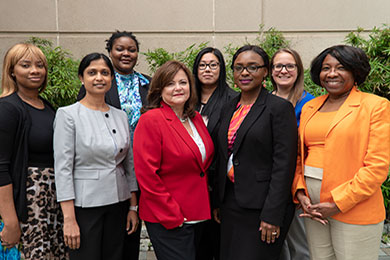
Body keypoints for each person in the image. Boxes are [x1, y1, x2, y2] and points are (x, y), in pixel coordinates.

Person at [292, 45, 390, 260]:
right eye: (326, 68)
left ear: (356, 72)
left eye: (341, 67)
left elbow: (377, 167)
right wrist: (300, 192)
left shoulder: (376, 106)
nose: (332, 73)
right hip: (313, 205)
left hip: (354, 204)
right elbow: (299, 154)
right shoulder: (310, 106)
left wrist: (337, 203)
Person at [214, 45, 298, 260]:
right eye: (239, 67)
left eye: (252, 67)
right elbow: (223, 155)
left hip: (262, 206)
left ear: (265, 72)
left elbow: (284, 164)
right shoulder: (228, 107)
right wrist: (217, 201)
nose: (244, 73)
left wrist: (272, 214)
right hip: (231, 201)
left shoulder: (278, 108)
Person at [54, 53, 138, 260]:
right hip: (85, 206)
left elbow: (129, 164)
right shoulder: (68, 115)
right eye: (92, 73)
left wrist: (133, 207)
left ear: (111, 79)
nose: (99, 78)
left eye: (105, 73)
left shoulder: (120, 115)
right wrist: (69, 219)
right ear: (82, 78)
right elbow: (63, 169)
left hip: (119, 203)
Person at [77, 31, 149, 259]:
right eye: (120, 49)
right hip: (110, 167)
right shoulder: (99, 81)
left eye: (131, 49)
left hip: (144, 164)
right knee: (108, 237)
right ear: (110, 52)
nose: (126, 53)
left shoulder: (148, 83)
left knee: (132, 228)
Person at [133, 60, 215, 260]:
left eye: (183, 82)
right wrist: (173, 215)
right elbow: (147, 176)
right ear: (160, 89)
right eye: (170, 84)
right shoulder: (151, 120)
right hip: (169, 217)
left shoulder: (195, 118)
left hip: (199, 214)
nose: (178, 88)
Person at [0, 43, 67, 259]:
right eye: (26, 65)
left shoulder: (47, 107)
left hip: (53, 202)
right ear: (11, 70)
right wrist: (10, 220)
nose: (34, 71)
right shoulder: (7, 108)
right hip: (27, 204)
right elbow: (1, 167)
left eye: (40, 65)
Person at [192, 47, 238, 260]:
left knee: (217, 242)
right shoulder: (185, 96)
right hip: (190, 181)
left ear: (221, 69)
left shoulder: (233, 99)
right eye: (202, 65)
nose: (207, 69)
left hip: (218, 182)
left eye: (213, 65)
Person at [270, 48, 314, 260]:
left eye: (290, 66)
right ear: (270, 71)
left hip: (298, 187)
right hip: (268, 187)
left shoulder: (311, 105)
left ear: (298, 70)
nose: (284, 70)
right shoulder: (262, 101)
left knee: (300, 248)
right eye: (278, 65)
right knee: (274, 248)